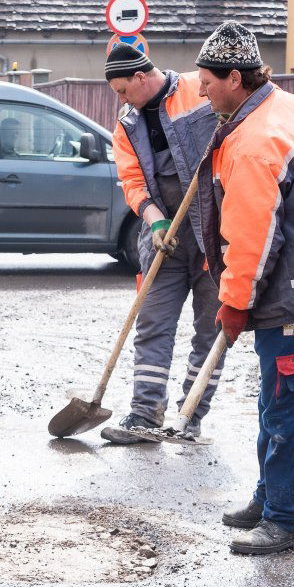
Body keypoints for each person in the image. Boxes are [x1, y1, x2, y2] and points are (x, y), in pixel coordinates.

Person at [194, 22, 294, 555]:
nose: (201, 91)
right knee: (276, 400)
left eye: (208, 82)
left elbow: (254, 238)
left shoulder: (255, 143)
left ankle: (286, 521)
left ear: (234, 78)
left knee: (291, 408)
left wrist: (234, 303)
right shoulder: (290, 106)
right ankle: (269, 499)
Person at [101, 43, 223, 444]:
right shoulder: (128, 125)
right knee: (152, 323)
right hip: (165, 237)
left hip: (214, 235)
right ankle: (145, 414)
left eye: (123, 90)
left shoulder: (198, 90)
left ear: (140, 77)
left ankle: (191, 416)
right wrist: (156, 221)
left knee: (210, 331)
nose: (121, 100)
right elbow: (132, 182)